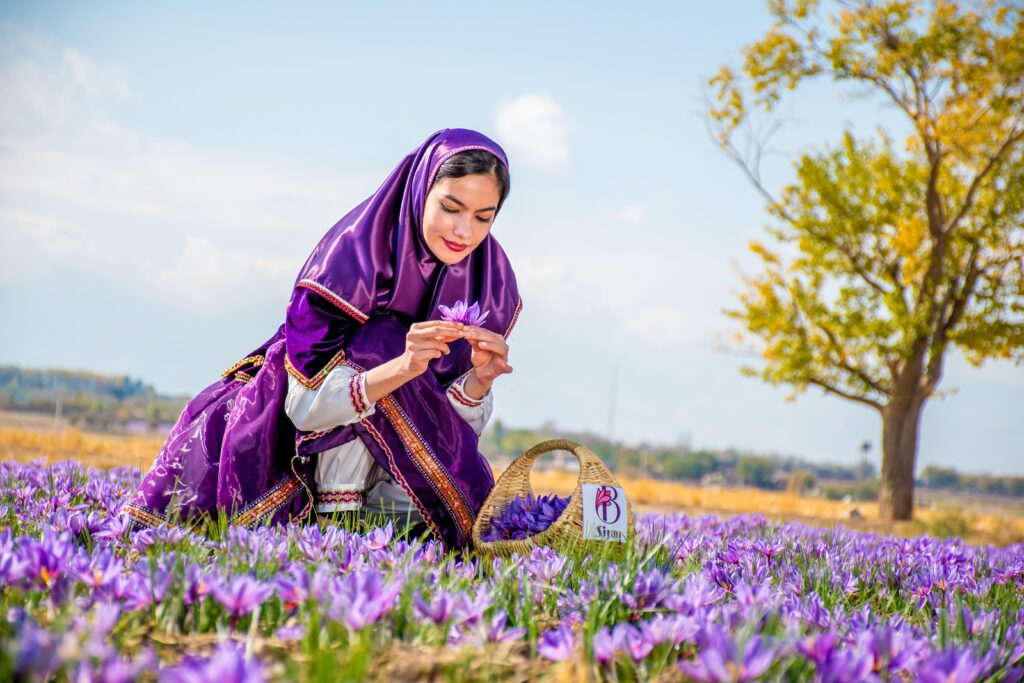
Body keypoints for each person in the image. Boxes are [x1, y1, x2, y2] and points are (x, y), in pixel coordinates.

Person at [124, 128, 523, 550]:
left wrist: (478, 383)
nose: (464, 231)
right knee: (381, 340)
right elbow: (303, 409)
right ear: (419, 190)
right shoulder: (348, 262)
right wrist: (403, 366)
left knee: (440, 512)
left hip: (392, 472)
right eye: (450, 207)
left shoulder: (488, 284)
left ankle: (374, 537)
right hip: (292, 439)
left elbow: (445, 431)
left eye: (483, 217)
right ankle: (337, 532)